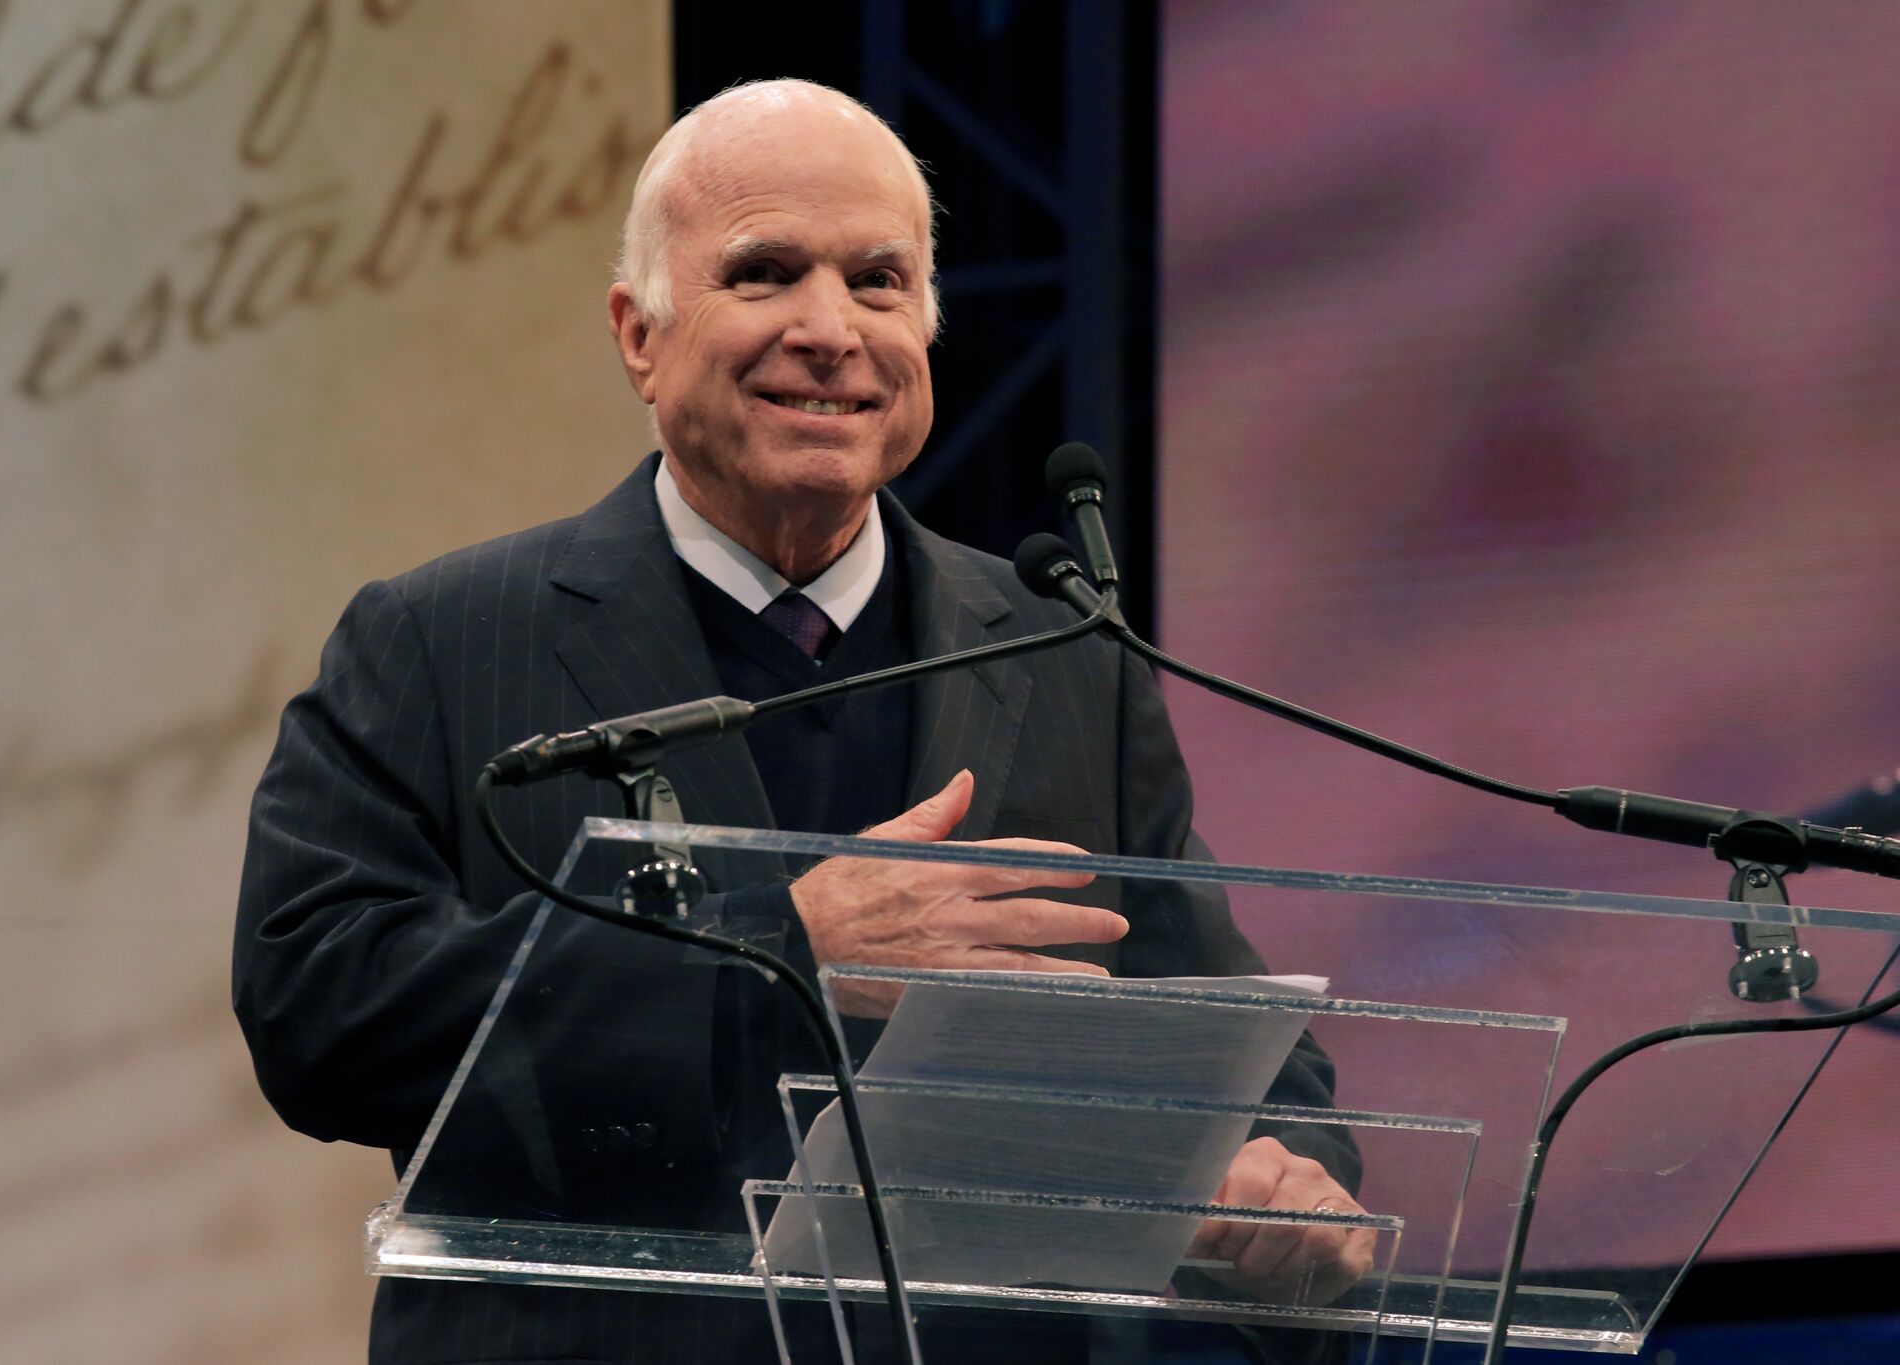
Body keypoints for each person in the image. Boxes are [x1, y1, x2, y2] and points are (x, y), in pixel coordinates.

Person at [235, 79, 1368, 1365]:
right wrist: (781, 957)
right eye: (764, 272)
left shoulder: (1060, 653)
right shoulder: (438, 639)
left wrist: (1293, 1184)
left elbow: (1227, 1036)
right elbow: (318, 1010)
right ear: (638, 335)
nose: (829, 330)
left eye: (878, 281)